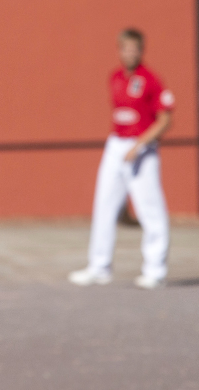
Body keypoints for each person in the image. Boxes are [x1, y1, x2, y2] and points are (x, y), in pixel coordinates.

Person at [69, 28, 174, 289]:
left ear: (142, 50)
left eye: (134, 48)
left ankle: (155, 269)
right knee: (104, 205)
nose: (130, 53)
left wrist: (140, 144)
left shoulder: (151, 80)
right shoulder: (115, 77)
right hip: (116, 144)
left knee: (150, 209)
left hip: (142, 149)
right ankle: (99, 266)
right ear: (119, 49)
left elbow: (165, 119)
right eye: (125, 48)